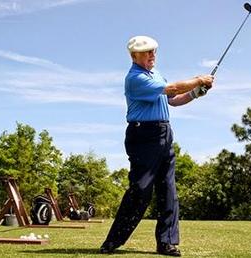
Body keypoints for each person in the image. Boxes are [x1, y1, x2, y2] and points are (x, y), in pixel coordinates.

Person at [100, 36, 214, 256]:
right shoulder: (135, 78)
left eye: (154, 52)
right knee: (140, 190)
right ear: (134, 56)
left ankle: (167, 243)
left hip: (164, 133)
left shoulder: (157, 75)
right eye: (147, 52)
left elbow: (174, 99)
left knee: (168, 191)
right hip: (143, 135)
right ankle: (113, 241)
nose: (152, 55)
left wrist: (196, 92)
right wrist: (199, 79)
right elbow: (171, 89)